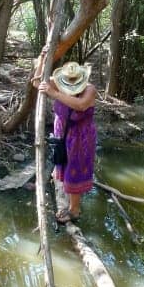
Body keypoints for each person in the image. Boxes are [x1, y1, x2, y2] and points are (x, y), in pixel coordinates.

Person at [33, 61, 97, 223]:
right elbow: (36, 82)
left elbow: (81, 105)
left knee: (75, 170)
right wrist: (42, 59)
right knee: (61, 165)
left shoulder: (89, 90)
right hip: (62, 133)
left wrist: (53, 93)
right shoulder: (58, 83)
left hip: (81, 138)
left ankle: (74, 210)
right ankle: (65, 196)